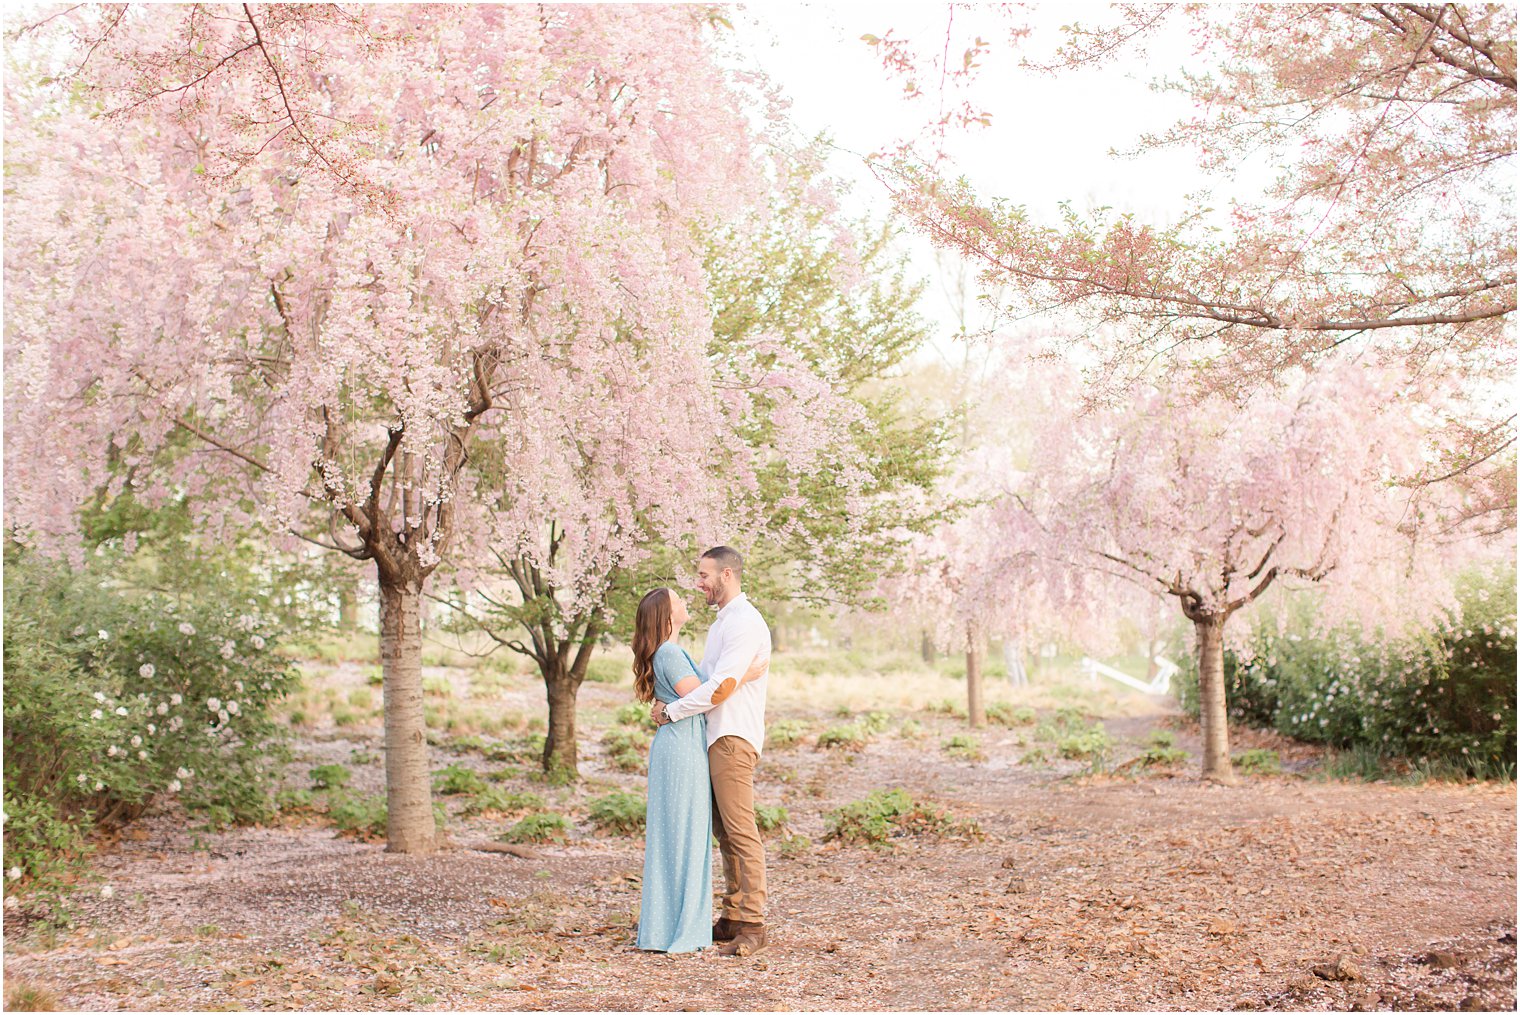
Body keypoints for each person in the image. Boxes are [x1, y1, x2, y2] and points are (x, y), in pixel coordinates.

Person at [653, 545, 773, 958]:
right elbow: (708, 680)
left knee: (741, 832)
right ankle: (733, 915)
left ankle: (753, 926)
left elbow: (720, 688)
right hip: (714, 735)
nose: (698, 582)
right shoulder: (723, 623)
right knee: (724, 833)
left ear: (726, 575)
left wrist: (672, 711)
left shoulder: (744, 622)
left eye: (704, 575)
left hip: (733, 736)